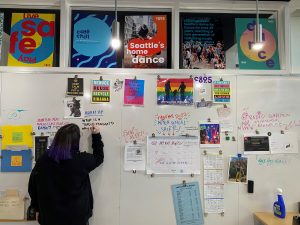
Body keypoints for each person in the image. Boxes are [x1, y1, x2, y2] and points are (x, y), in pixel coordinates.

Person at [28, 123, 104, 225]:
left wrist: (36, 207)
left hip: (49, 217)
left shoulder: (43, 160)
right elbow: (99, 157)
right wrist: (96, 135)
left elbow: (32, 186)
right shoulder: (81, 160)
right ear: (76, 141)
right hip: (76, 217)